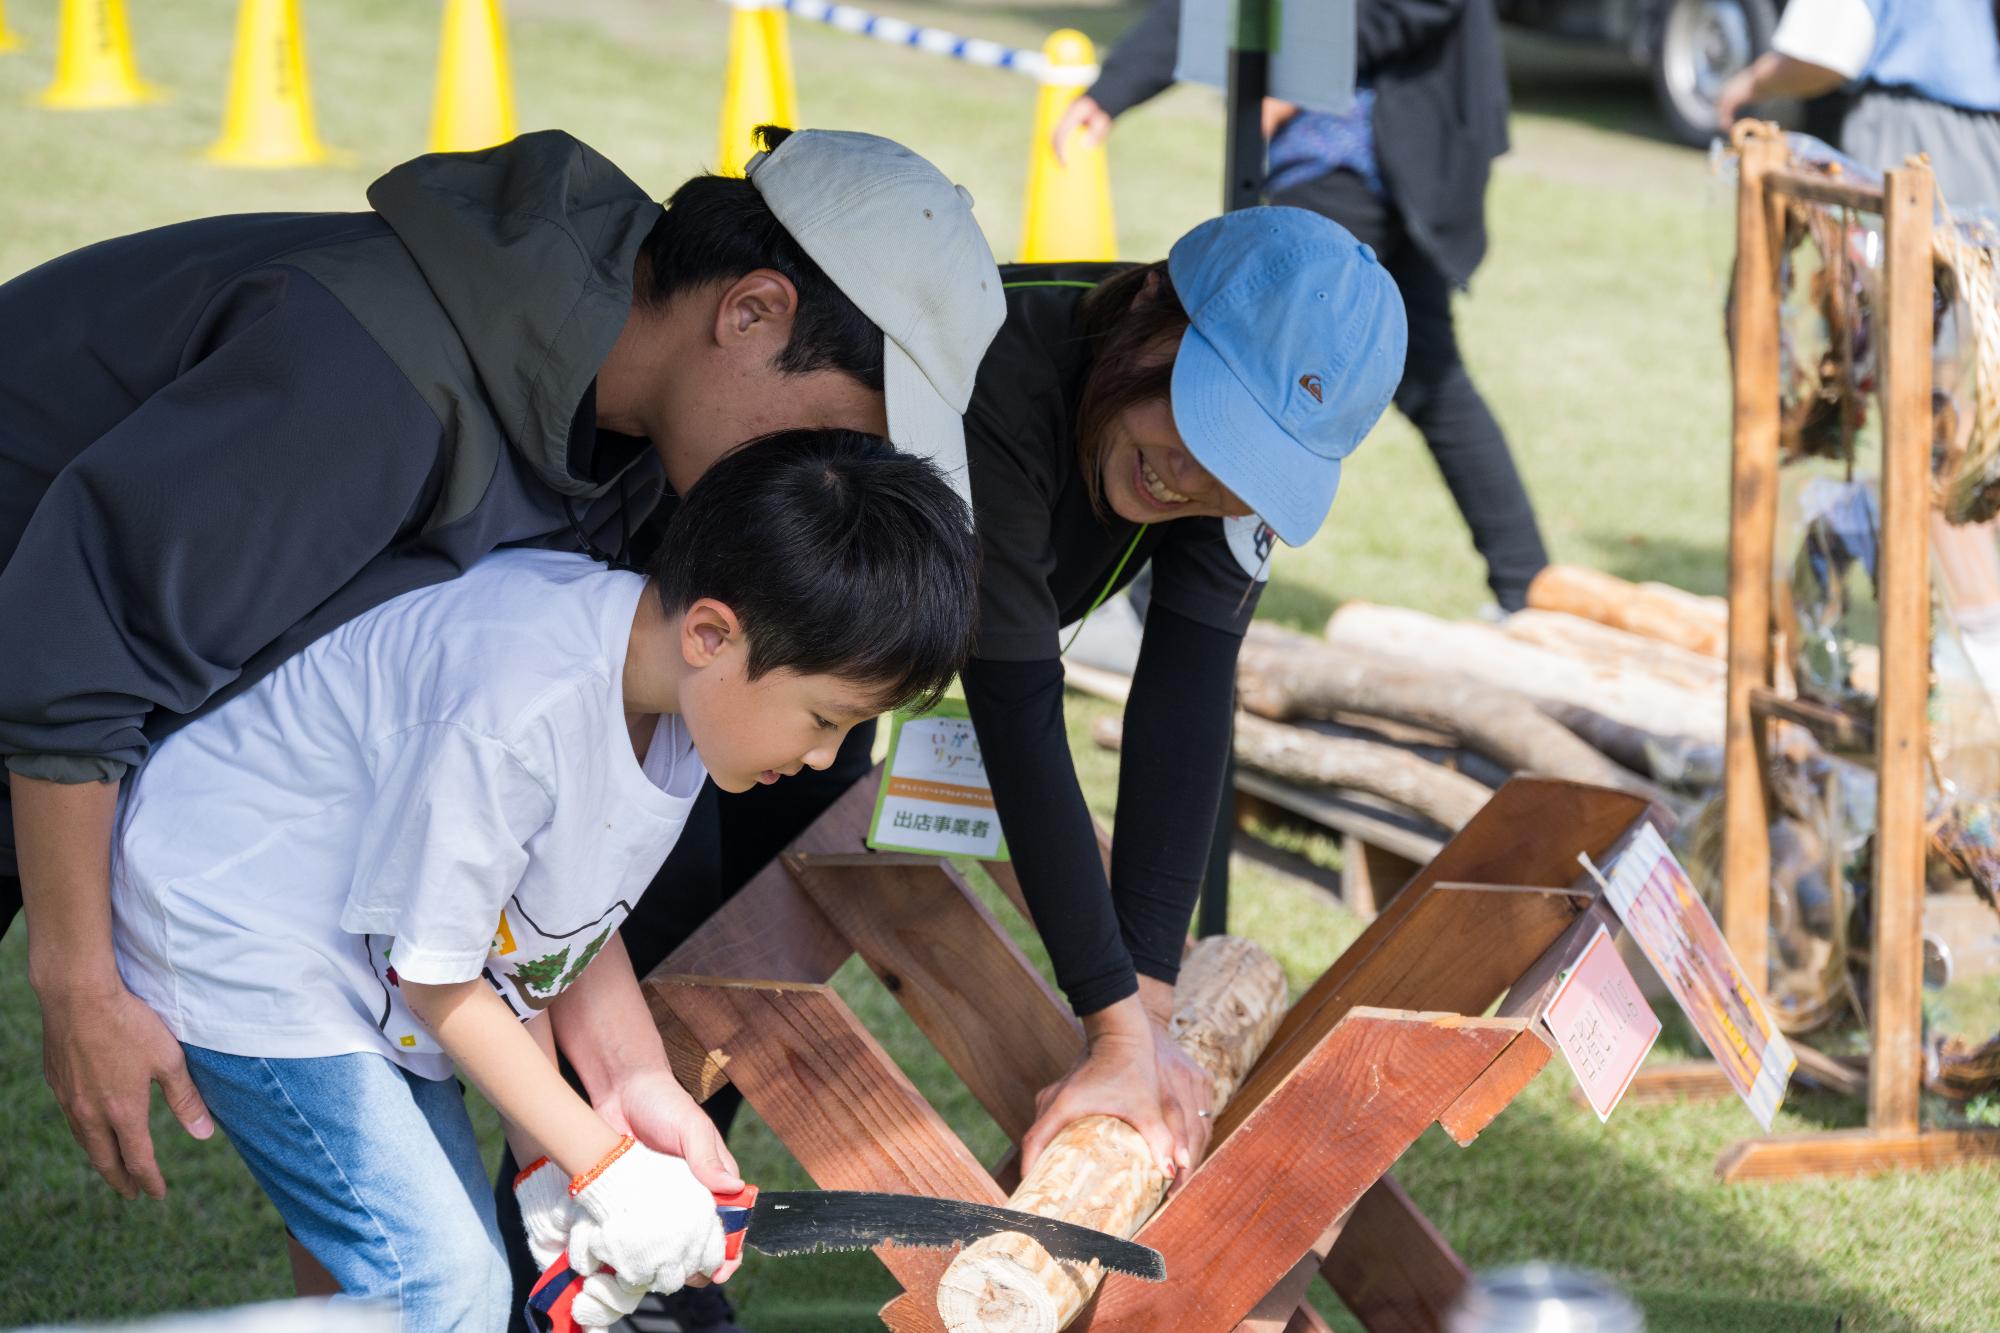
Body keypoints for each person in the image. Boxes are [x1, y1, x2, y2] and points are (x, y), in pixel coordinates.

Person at [0, 123, 1004, 1215]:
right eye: (831, 434)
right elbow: (73, 651)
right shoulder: (371, 378)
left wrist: (620, 1081)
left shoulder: (634, 439)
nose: (813, 480)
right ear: (749, 311)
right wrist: (80, 977)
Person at [105, 431, 980, 1330]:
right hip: (241, 921)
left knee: (448, 1274)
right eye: (825, 718)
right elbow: (439, 976)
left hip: (358, 926)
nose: (827, 756)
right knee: (443, 1288)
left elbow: (554, 927)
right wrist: (601, 1164)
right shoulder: (522, 715)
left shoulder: (675, 696)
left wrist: (630, 1090)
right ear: (713, 632)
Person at [1053, 0, 1549, 612]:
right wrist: (1116, 87)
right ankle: (1526, 581)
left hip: (1374, 150)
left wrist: (1297, 76)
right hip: (1338, 151)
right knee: (1414, 377)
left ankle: (1150, 601)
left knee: (1270, 385)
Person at [1715, 0, 2000, 210]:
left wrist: (1753, 83)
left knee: (1889, 280)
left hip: (1902, 136)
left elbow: (1821, 57)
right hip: (1986, 141)